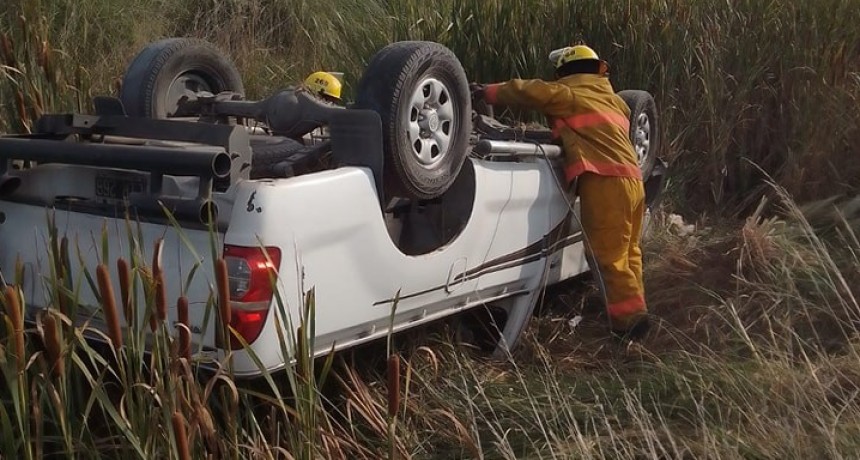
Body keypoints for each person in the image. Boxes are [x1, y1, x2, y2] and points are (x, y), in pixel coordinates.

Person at [472, 44, 649, 339]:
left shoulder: (571, 94)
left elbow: (531, 91)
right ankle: (638, 312)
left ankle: (628, 327)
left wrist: (487, 92)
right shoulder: (615, 103)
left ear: (566, 71)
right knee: (630, 253)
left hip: (604, 182)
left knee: (608, 256)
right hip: (633, 181)